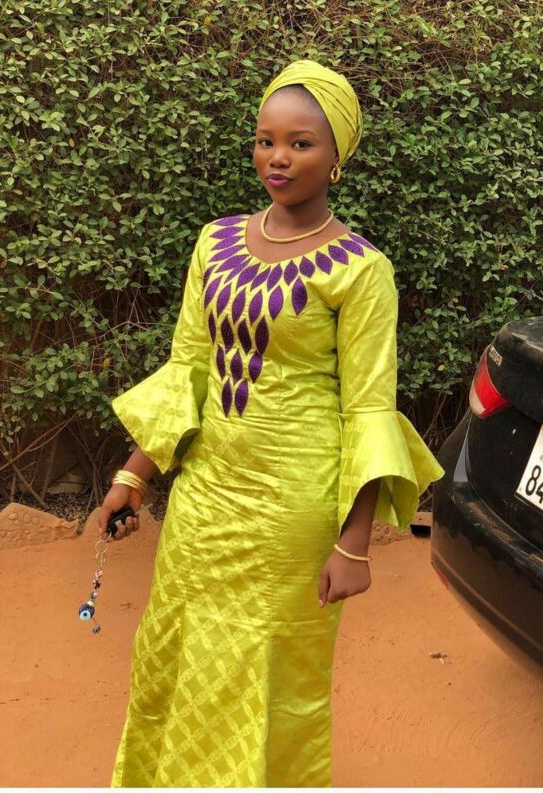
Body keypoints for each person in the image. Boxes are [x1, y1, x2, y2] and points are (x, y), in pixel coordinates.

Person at [99, 59, 444, 787]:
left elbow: (368, 408)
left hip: (292, 510)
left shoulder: (360, 271)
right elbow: (188, 370)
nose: (277, 158)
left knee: (271, 674)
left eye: (300, 143)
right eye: (265, 141)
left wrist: (354, 543)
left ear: (337, 156)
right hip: (203, 498)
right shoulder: (214, 243)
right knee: (174, 648)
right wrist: (135, 473)